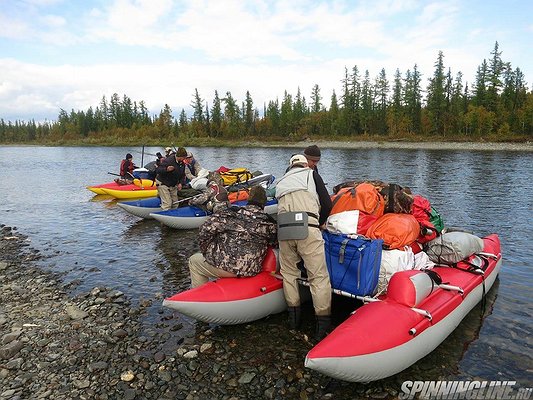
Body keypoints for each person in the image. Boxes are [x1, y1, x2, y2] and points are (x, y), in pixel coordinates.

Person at [275, 154, 333, 341]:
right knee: (318, 276)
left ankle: (294, 320)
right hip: (307, 227)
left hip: (284, 230)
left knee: (290, 274)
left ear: (290, 166)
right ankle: (322, 324)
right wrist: (320, 222)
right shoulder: (312, 175)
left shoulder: (282, 180)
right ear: (305, 164)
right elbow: (327, 203)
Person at [188, 186, 278, 288]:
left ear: (248, 199)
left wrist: (209, 249)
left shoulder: (231, 214)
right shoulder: (269, 223)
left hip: (226, 266)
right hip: (250, 269)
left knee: (194, 261)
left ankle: (201, 294)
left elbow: (205, 230)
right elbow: (276, 243)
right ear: (264, 203)